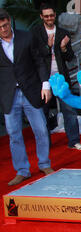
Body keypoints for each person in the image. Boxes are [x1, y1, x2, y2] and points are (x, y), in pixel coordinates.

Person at [0, 9, 54, 186]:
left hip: (31, 90)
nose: (3, 29)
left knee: (41, 129)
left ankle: (45, 163)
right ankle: (22, 170)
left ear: (10, 21)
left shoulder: (26, 37)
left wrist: (45, 84)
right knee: (14, 134)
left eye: (5, 25)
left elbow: (39, 61)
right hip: (9, 95)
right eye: (0, 27)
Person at [31, 3, 81, 151]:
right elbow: (34, 56)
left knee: (70, 109)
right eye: (46, 16)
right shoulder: (36, 33)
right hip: (44, 79)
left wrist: (62, 48)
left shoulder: (63, 33)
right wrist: (48, 47)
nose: (49, 18)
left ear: (55, 15)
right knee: (43, 111)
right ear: (41, 17)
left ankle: (74, 141)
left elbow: (70, 58)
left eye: (52, 15)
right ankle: (45, 145)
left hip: (62, 77)